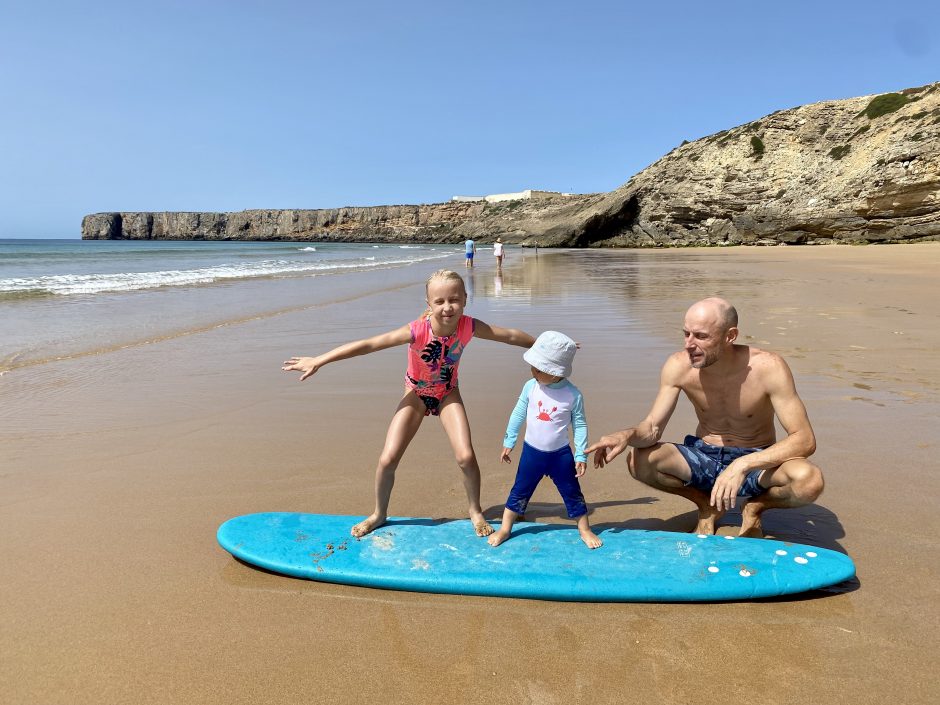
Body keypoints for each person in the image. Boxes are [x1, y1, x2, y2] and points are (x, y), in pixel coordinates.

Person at [282, 269, 535, 538]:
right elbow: (369, 344)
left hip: (448, 393)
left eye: (454, 300)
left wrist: (545, 345)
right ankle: (379, 514)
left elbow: (507, 335)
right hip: (416, 394)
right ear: (428, 304)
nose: (447, 307)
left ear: (465, 299)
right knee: (388, 458)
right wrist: (319, 360)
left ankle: (475, 510)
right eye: (439, 302)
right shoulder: (416, 330)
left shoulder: (469, 326)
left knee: (466, 456)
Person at [587, 297, 824, 538]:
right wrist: (626, 435)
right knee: (639, 461)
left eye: (700, 336)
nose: (689, 344)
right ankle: (706, 505)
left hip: (756, 460)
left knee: (809, 481)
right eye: (686, 333)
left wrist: (743, 465)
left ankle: (755, 506)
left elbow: (804, 439)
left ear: (730, 336)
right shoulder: (678, 366)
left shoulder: (769, 367)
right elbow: (652, 428)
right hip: (705, 456)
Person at [488, 331, 602, 549]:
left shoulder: (573, 395)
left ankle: (585, 530)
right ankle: (505, 528)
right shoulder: (531, 386)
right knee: (519, 490)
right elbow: (518, 413)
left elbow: (580, 426)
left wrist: (580, 454)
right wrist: (509, 441)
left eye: (538, 369)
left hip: (560, 456)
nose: (533, 371)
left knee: (572, 493)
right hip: (532, 454)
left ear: (554, 372)